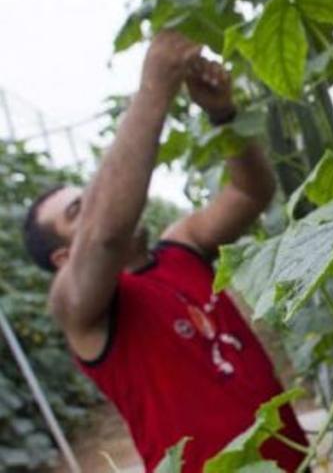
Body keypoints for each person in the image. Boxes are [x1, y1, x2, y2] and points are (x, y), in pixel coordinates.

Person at [21, 31, 308, 472]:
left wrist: (223, 115)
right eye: (83, 209)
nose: (102, 206)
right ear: (63, 259)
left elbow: (252, 192)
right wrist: (155, 89)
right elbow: (106, 235)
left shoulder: (181, 248)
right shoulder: (77, 308)